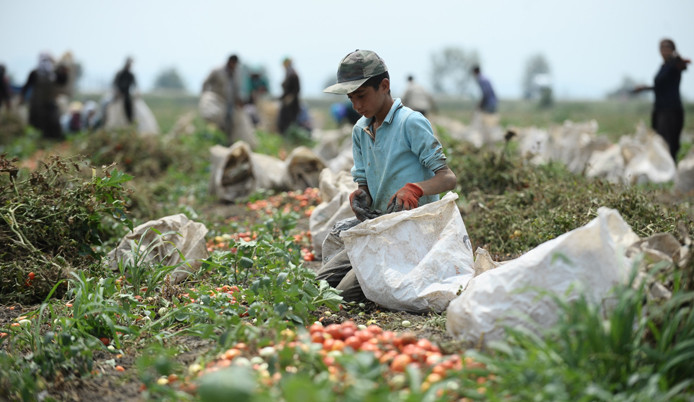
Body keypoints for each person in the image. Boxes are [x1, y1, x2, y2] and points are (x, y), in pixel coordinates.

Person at [317, 49, 457, 301]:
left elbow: (447, 178)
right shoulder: (360, 130)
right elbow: (365, 183)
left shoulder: (410, 123)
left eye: (362, 95)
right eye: (351, 98)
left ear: (384, 86)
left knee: (346, 293)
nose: (357, 105)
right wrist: (362, 195)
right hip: (379, 227)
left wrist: (415, 189)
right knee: (321, 284)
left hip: (413, 230)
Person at [633, 38, 690, 162]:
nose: (665, 50)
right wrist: (643, 88)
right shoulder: (663, 66)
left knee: (670, 142)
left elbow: (683, 66)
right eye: (662, 48)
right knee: (660, 140)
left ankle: (671, 170)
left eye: (667, 48)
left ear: (673, 50)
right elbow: (659, 87)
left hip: (671, 110)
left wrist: (678, 58)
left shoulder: (674, 64)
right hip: (660, 109)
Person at [20, 52, 63, 139]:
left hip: (49, 102)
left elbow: (62, 82)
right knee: (37, 123)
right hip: (37, 103)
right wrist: (22, 98)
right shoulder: (34, 73)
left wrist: (63, 73)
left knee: (52, 122)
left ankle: (51, 141)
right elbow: (26, 86)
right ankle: (37, 141)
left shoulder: (53, 74)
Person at [202, 54, 243, 138]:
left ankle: (227, 140)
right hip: (217, 100)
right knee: (216, 121)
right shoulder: (217, 71)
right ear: (230, 62)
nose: (234, 66)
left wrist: (238, 100)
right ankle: (213, 138)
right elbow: (206, 83)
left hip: (229, 102)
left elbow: (236, 89)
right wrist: (205, 95)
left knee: (230, 122)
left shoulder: (236, 73)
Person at [277, 57, 301, 135]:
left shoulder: (293, 75)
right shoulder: (288, 74)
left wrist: (290, 97)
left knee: (289, 122)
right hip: (286, 102)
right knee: (283, 122)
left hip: (292, 103)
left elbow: (296, 89)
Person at [113, 57, 137, 124]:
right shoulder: (120, 74)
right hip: (118, 94)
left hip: (126, 94)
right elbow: (115, 83)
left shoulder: (131, 75)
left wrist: (136, 93)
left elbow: (135, 85)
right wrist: (117, 92)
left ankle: (130, 121)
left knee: (129, 106)